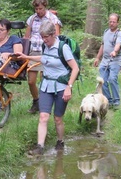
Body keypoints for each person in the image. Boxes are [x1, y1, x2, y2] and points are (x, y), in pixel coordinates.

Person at [15, 21, 79, 155]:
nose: (44, 40)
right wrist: (27, 57)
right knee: (43, 116)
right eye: (42, 37)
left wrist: (69, 87)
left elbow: (75, 68)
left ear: (53, 34)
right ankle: (40, 147)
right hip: (46, 86)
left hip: (61, 87)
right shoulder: (45, 46)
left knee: (57, 118)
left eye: (46, 37)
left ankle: (60, 141)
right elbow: (44, 58)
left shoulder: (63, 48)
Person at [24, 0, 62, 114]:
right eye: (36, 9)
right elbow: (27, 37)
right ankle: (36, 100)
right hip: (34, 50)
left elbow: (57, 36)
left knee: (45, 79)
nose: (38, 11)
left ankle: (46, 104)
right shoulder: (32, 19)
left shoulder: (52, 18)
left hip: (47, 50)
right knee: (31, 81)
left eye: (40, 8)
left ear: (45, 6)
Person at [93, 13, 121, 110]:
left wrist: (115, 51)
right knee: (102, 81)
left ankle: (116, 101)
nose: (111, 23)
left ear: (117, 23)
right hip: (105, 60)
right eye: (110, 21)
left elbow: (118, 43)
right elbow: (102, 45)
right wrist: (98, 58)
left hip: (115, 60)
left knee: (112, 79)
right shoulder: (106, 32)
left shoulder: (119, 33)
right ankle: (109, 101)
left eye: (114, 22)